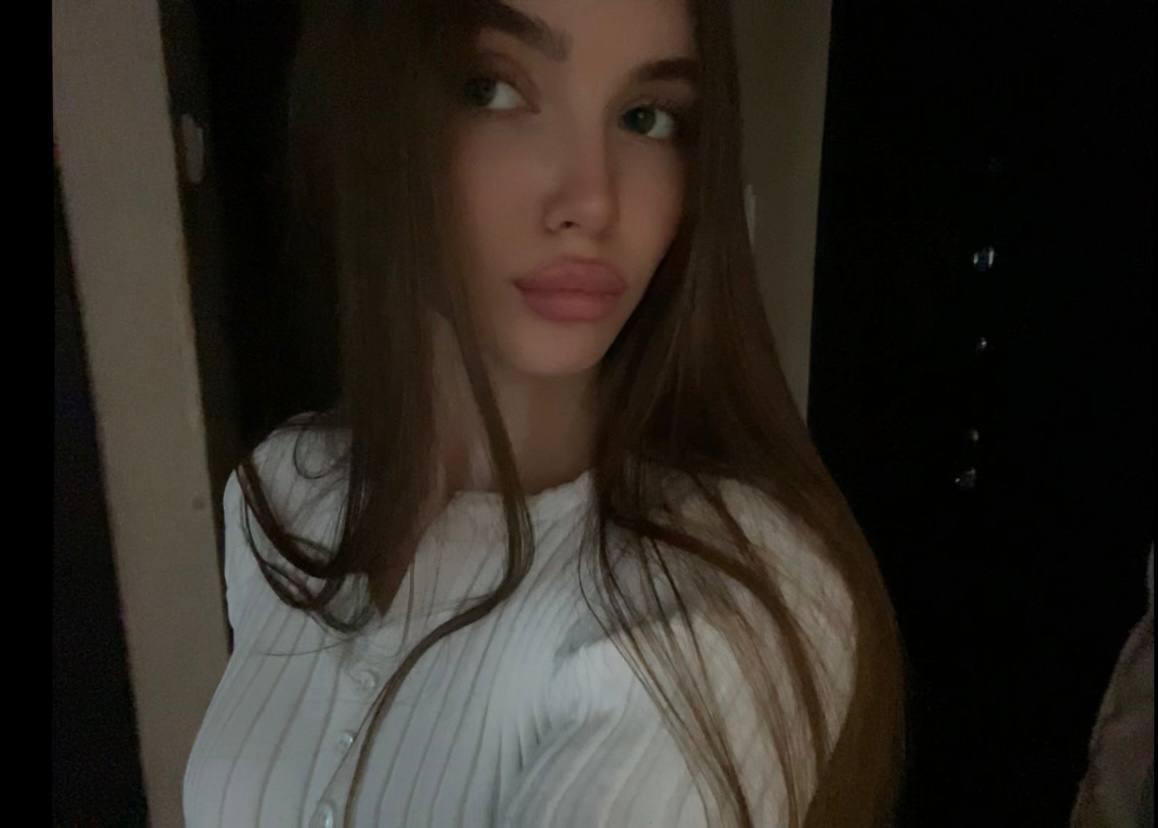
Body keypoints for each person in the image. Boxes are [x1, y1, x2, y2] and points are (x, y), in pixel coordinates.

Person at [183, 1, 904, 825]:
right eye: (492, 91)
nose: (592, 201)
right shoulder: (285, 493)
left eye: (645, 117)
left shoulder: (713, 600)